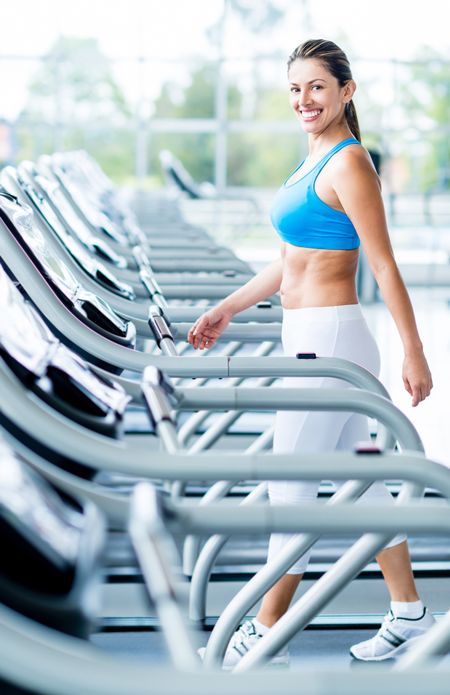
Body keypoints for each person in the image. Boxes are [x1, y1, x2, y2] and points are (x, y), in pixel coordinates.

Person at [188, 38, 434, 666]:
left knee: (290, 490)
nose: (305, 99)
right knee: (370, 484)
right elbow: (288, 263)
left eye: (317, 87)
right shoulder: (313, 156)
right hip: (314, 338)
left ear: (346, 91)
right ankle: (409, 612)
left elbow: (383, 264)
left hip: (329, 341)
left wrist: (414, 352)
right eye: (296, 88)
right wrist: (227, 308)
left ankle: (266, 634)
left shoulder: (350, 163)